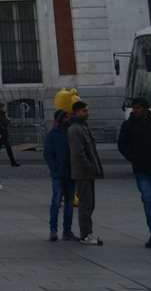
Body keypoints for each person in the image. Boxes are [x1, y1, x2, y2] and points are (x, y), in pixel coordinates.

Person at [116, 97, 151, 247]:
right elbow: (122, 145)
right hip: (141, 170)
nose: (135, 111)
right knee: (148, 201)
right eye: (134, 108)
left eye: (138, 108)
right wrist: (132, 157)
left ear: (146, 109)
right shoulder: (128, 126)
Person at [68, 99, 104, 245]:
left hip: (88, 171)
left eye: (87, 110)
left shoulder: (83, 126)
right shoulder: (75, 129)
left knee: (90, 203)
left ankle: (88, 232)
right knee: (85, 204)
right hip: (82, 172)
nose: (87, 113)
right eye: (84, 111)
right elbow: (78, 153)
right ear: (76, 112)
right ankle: (85, 234)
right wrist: (90, 166)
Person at [43, 109, 74, 241]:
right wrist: (55, 168)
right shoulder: (53, 134)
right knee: (56, 202)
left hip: (71, 173)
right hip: (58, 173)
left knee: (69, 203)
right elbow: (48, 154)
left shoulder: (71, 132)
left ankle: (67, 230)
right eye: (66, 118)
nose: (68, 120)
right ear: (60, 119)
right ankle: (53, 230)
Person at [0, 102, 21, 167]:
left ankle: (13, 162)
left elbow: (1, 123)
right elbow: (3, 123)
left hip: (2, 134)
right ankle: (13, 162)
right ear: (0, 108)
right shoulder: (0, 114)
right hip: (2, 134)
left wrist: (6, 120)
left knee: (2, 148)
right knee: (2, 148)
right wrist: (7, 120)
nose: (5, 108)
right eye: (3, 107)